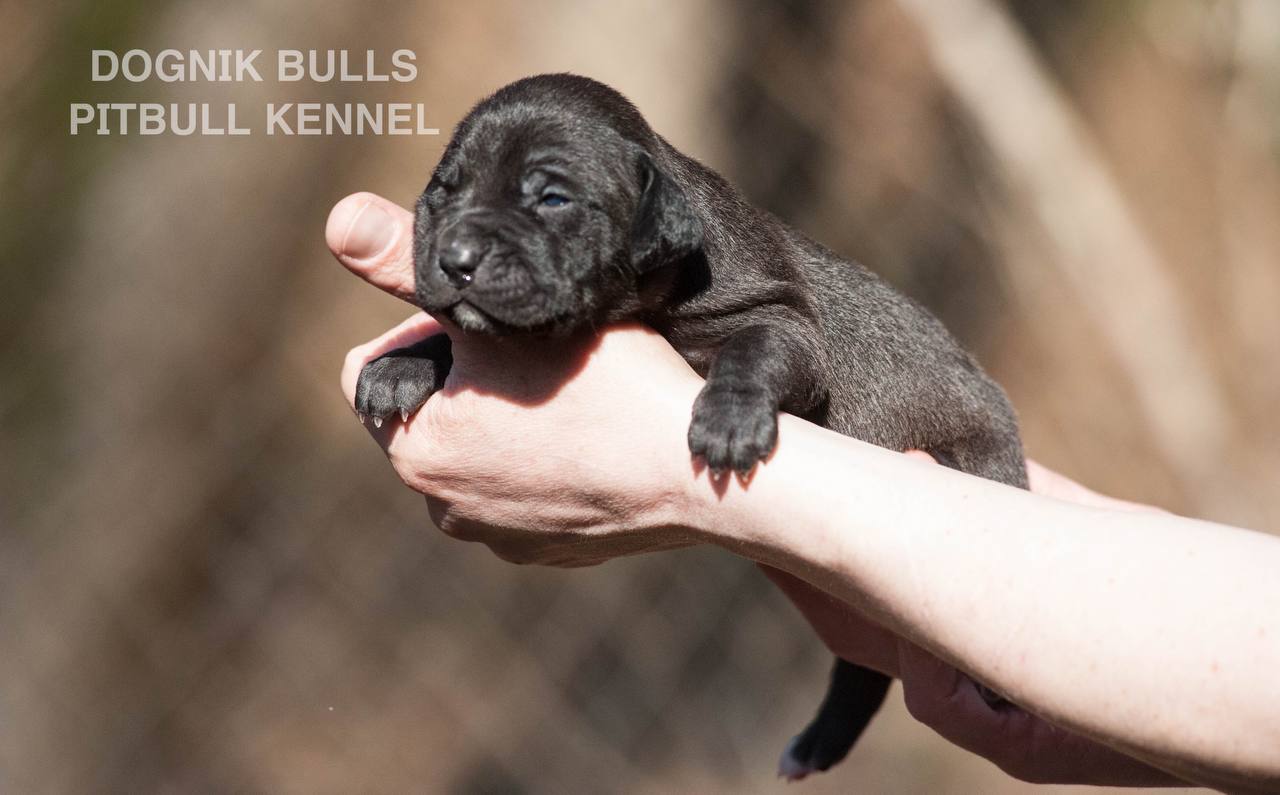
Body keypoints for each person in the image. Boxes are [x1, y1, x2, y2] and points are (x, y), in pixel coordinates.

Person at [328, 192, 1280, 792]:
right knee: (946, 674)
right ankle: (865, 671)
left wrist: (683, 472)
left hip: (951, 439)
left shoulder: (724, 282)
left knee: (947, 678)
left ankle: (862, 676)